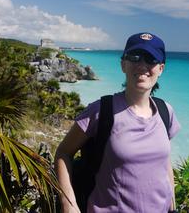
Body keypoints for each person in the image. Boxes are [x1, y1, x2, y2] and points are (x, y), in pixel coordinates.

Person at [55, 32, 181, 213]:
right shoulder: (101, 111)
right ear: (123, 64)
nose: (143, 65)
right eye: (135, 57)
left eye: (151, 59)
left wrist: (172, 206)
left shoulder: (165, 112)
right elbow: (63, 152)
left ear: (160, 68)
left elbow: (164, 162)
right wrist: (69, 204)